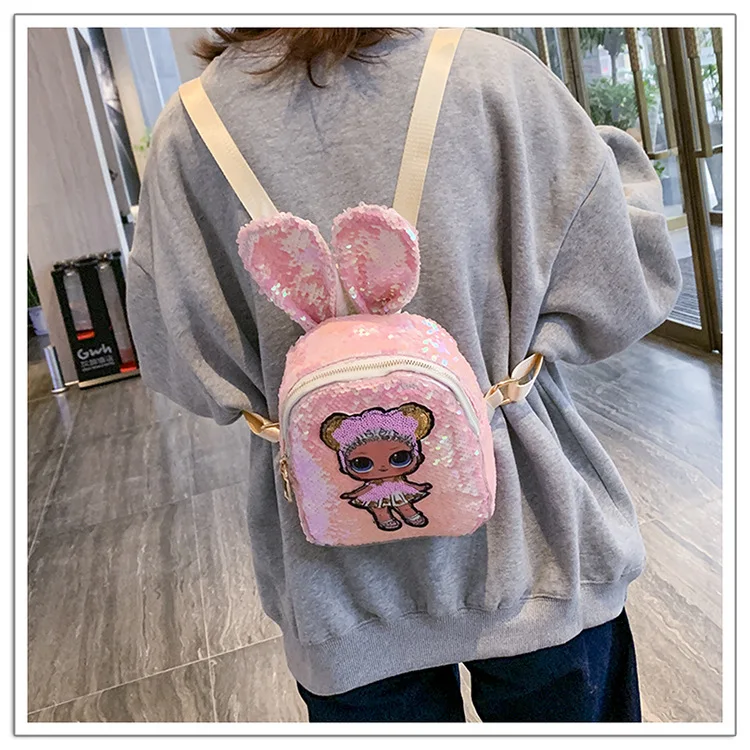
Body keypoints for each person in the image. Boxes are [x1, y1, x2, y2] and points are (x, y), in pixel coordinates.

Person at [126, 27, 681, 722]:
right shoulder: (494, 75)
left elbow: (177, 358)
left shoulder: (188, 130)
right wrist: (614, 164)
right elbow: (624, 284)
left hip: (335, 586)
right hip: (531, 543)